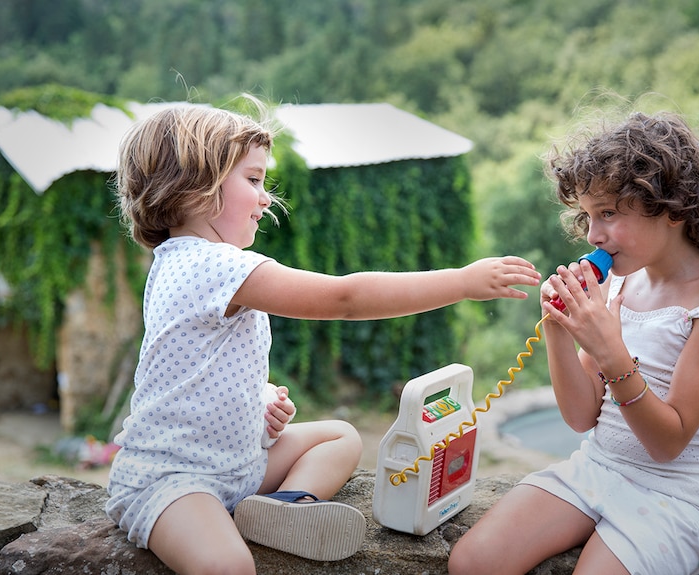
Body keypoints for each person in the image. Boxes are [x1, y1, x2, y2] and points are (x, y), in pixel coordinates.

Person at [106, 100, 542, 575]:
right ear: (193, 188)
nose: (266, 197)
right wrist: (460, 282)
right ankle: (271, 512)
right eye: (252, 180)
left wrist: (259, 399)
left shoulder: (184, 261)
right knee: (227, 567)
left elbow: (195, 368)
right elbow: (345, 299)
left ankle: (288, 510)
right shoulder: (210, 264)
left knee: (339, 436)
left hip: (235, 465)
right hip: (175, 479)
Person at [448, 111, 699, 575]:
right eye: (589, 216)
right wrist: (558, 329)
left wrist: (611, 351)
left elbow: (667, 443)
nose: (593, 235)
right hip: (602, 468)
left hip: (683, 494)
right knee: (473, 562)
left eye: (609, 214)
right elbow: (581, 417)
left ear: (673, 208)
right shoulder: (620, 284)